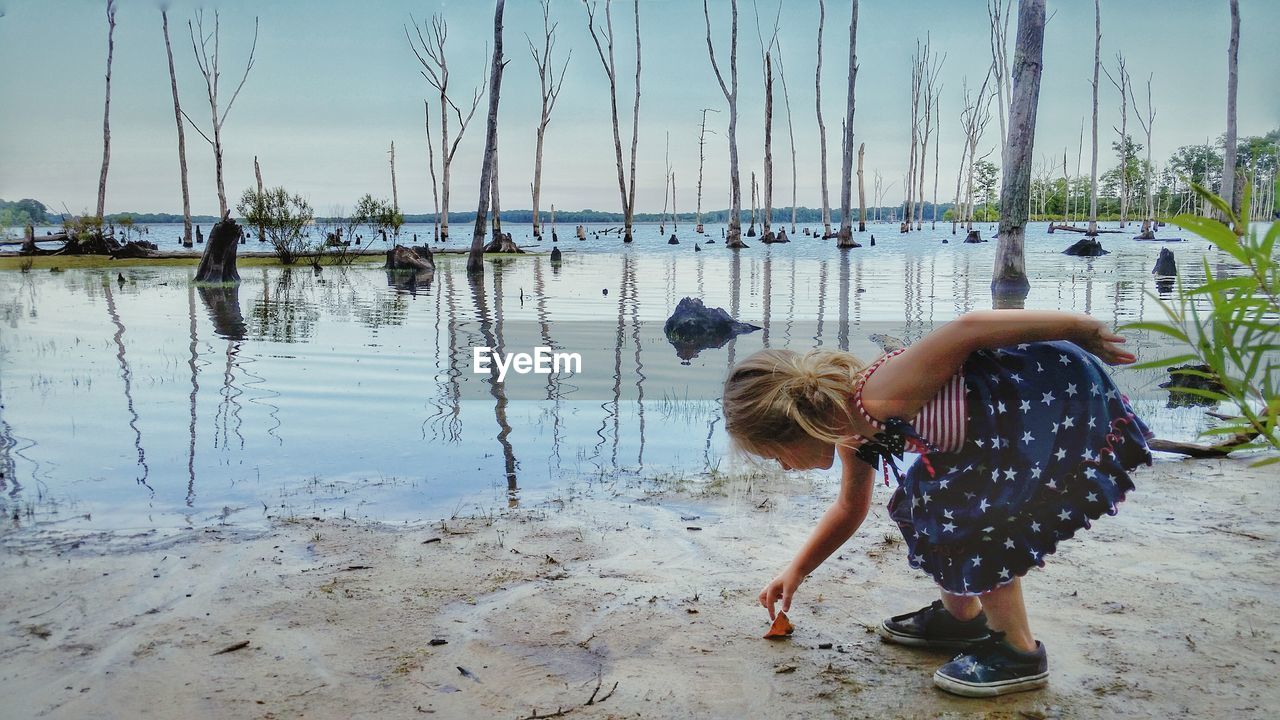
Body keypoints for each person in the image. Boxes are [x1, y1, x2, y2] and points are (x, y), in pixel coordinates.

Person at [721, 309, 1153, 697]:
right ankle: (961, 618)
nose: (782, 467)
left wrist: (1078, 328)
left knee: (971, 519)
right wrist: (795, 570)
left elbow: (965, 329)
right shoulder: (854, 433)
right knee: (919, 505)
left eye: (775, 456)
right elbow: (849, 509)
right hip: (993, 429)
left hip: (1043, 395)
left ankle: (1017, 651)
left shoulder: (878, 395)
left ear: (797, 427)